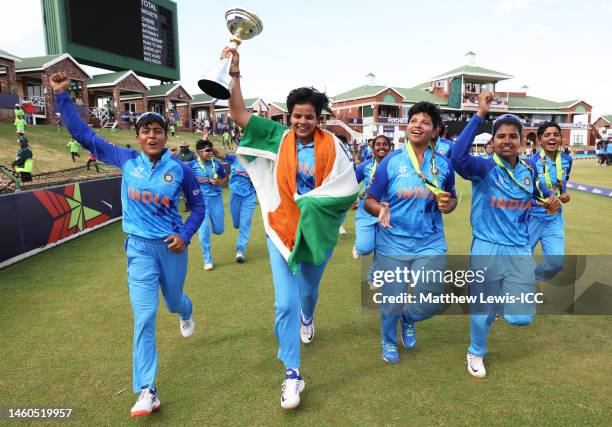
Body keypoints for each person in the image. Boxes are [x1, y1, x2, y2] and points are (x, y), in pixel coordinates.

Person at [49, 71, 205, 418]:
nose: (152, 135)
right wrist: (62, 95)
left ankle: (186, 311)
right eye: (146, 131)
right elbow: (83, 135)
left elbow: (198, 207)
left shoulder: (181, 170)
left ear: (165, 136)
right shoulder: (125, 160)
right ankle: (147, 389)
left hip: (171, 247)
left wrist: (185, 235)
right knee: (145, 316)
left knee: (174, 302)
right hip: (138, 249)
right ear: (137, 137)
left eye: (158, 130)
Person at [223, 46, 357, 409]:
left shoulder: (334, 146)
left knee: (307, 295)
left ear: (319, 118)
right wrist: (235, 73)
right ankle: (292, 375)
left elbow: (347, 188)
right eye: (297, 116)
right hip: (280, 229)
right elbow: (237, 113)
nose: (302, 122)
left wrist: (313, 203)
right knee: (284, 302)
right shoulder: (277, 135)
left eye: (309, 117)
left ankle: (308, 317)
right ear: (290, 115)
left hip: (316, 233)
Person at [451, 92, 560, 379]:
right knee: (482, 310)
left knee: (520, 317)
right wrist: (479, 114)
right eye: (501, 136)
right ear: (493, 141)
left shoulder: (528, 168)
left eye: (513, 136)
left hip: (519, 248)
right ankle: (475, 350)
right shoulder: (483, 167)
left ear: (523, 141)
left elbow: (538, 191)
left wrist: (551, 199)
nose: (507, 141)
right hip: (487, 247)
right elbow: (457, 157)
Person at [364, 103, 458, 364]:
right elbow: (369, 200)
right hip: (392, 243)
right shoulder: (392, 162)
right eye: (413, 120)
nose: (417, 125)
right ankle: (388, 339)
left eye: (425, 122)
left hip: (430, 241)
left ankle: (408, 318)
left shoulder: (443, 164)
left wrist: (448, 204)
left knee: (433, 300)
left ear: (435, 130)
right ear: (407, 128)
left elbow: (452, 200)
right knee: (391, 303)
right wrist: (379, 209)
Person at [529, 122, 572, 281]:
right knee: (519, 259)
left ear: (561, 138)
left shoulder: (567, 160)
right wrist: (539, 202)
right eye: (547, 135)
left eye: (556, 134)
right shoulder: (530, 162)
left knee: (555, 263)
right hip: (531, 218)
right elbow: (525, 192)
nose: (552, 138)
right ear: (540, 140)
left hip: (553, 219)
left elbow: (561, 185)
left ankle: (531, 276)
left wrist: (564, 195)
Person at [211, 138, 257, 263]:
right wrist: (209, 147)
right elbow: (218, 154)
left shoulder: (256, 163)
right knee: (237, 222)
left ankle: (240, 250)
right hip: (235, 195)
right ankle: (237, 224)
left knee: (245, 224)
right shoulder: (234, 159)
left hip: (249, 196)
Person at [352, 135, 391, 272]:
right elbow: (351, 184)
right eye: (378, 144)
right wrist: (352, 200)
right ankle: (358, 247)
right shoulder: (365, 166)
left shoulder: (396, 165)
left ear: (390, 147)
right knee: (365, 247)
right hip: (366, 211)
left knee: (383, 247)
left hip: (387, 212)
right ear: (373, 148)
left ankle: (374, 276)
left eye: (385, 144)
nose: (381, 147)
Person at [189, 139, 228, 270]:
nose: (210, 152)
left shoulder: (216, 164)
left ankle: (213, 226)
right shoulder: (192, 165)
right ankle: (207, 259)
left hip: (216, 199)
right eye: (207, 150)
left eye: (211, 150)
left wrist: (220, 182)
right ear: (199, 152)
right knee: (204, 230)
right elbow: (179, 172)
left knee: (219, 229)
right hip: (200, 201)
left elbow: (226, 177)